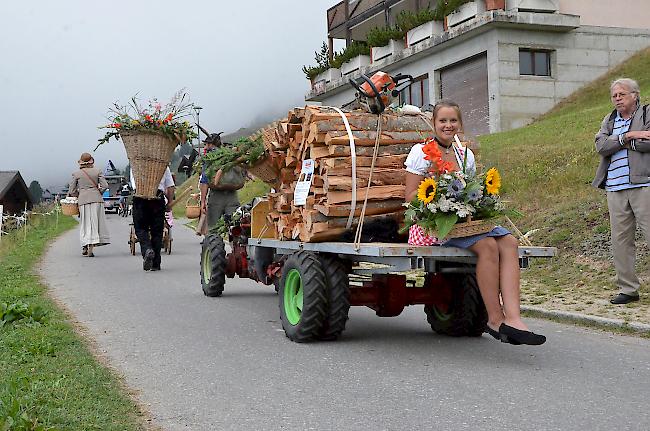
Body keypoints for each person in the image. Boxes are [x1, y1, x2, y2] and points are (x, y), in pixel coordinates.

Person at [404, 100, 546, 346]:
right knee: (488, 246)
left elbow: (470, 189)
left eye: (453, 121)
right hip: (434, 223)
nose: (448, 126)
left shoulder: (464, 153)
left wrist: (479, 203)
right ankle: (494, 318)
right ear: (434, 124)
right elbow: (410, 197)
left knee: (509, 242)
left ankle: (514, 318)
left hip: (465, 220)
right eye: (443, 121)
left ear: (460, 123)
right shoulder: (421, 152)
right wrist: (439, 205)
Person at [593, 78, 650, 304]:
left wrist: (618, 141)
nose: (617, 98)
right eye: (614, 95)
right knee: (621, 241)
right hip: (615, 188)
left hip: (644, 184)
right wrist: (629, 136)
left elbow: (648, 143)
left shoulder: (646, 113)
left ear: (635, 95)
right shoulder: (609, 119)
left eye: (622, 94)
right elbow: (601, 147)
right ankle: (628, 289)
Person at [131, 166, 175, 271]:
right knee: (157, 231)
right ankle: (156, 264)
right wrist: (169, 202)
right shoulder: (163, 165)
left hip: (140, 197)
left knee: (141, 228)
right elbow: (170, 186)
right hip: (157, 198)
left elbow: (133, 185)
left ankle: (147, 249)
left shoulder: (136, 164)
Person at [68, 152, 110, 257]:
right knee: (95, 222)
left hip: (83, 200)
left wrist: (80, 194)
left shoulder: (76, 174)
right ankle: (93, 243)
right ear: (91, 161)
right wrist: (98, 192)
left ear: (81, 163)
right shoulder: (98, 171)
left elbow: (72, 190)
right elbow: (105, 185)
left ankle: (85, 244)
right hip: (97, 199)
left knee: (85, 223)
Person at [199, 132, 242, 229]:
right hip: (232, 196)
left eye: (206, 144)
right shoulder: (231, 155)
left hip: (216, 197)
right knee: (235, 227)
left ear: (211, 144)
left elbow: (205, 180)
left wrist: (202, 202)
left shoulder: (210, 158)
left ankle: (214, 243)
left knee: (213, 228)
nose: (205, 147)